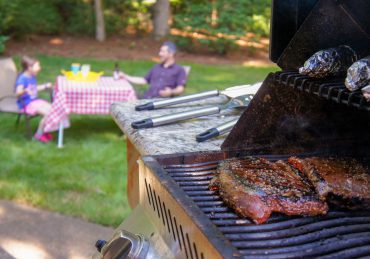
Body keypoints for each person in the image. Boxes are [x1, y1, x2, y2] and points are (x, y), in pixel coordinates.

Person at [119, 41, 187, 98]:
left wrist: (171, 92)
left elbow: (180, 88)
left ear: (171, 54)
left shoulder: (179, 70)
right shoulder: (156, 67)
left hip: (162, 102)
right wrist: (125, 76)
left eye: (163, 52)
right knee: (125, 96)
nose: (159, 54)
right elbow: (144, 80)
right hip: (147, 97)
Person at [15, 56, 53, 142]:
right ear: (29, 68)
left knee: (53, 109)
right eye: (37, 66)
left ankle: (44, 131)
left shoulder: (32, 76)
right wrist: (25, 91)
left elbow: (34, 88)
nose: (39, 68)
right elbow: (17, 93)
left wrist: (44, 86)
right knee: (47, 114)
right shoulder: (22, 78)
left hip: (34, 101)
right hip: (26, 103)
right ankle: (39, 135)